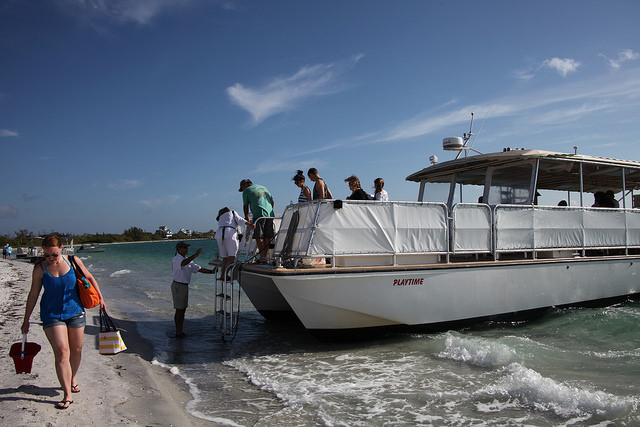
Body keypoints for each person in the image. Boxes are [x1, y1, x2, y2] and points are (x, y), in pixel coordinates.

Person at [21, 234, 106, 410]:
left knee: (76, 349)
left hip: (75, 312)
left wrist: (101, 299)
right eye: (47, 255)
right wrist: (26, 319)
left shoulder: (73, 261)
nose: (51, 258)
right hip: (51, 314)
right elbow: (33, 295)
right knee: (62, 351)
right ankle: (67, 393)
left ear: (61, 248)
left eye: (54, 254)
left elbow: (89, 278)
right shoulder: (40, 269)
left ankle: (72, 377)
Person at [171, 241, 214, 337]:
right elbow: (183, 263)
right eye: (184, 247)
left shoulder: (187, 259)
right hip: (178, 285)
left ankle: (180, 330)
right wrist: (196, 255)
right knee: (179, 309)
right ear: (179, 249)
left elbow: (198, 268)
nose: (186, 249)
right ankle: (178, 331)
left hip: (184, 286)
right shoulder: (177, 259)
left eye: (186, 247)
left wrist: (211, 272)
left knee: (183, 309)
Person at [239, 179, 275, 263]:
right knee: (267, 237)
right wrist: (268, 210)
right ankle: (264, 257)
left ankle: (262, 257)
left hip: (258, 215)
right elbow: (272, 201)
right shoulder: (263, 188)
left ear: (244, 185)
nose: (243, 190)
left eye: (242, 188)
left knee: (259, 236)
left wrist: (247, 217)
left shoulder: (246, 191)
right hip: (270, 214)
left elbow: (245, 206)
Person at [215, 207, 254, 280]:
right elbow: (240, 220)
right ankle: (225, 275)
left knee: (225, 258)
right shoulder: (232, 213)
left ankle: (222, 275)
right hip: (229, 233)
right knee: (231, 256)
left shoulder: (220, 217)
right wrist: (250, 224)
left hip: (219, 234)